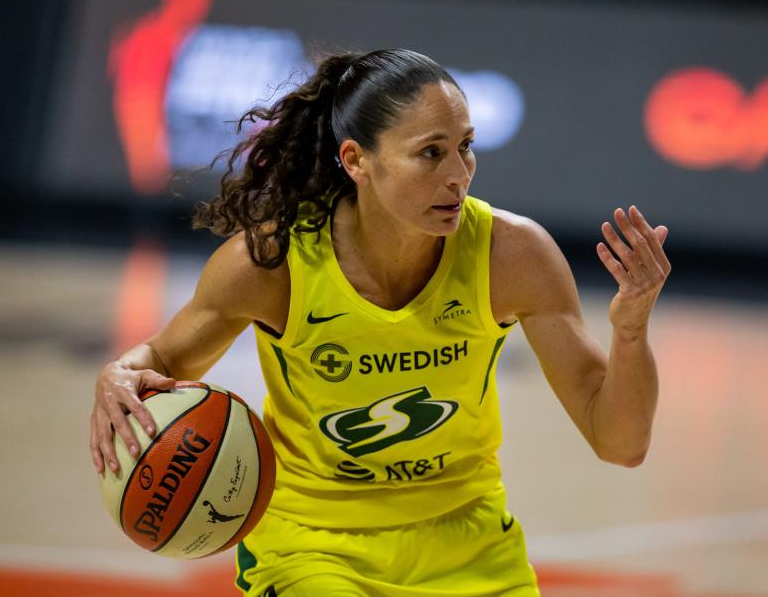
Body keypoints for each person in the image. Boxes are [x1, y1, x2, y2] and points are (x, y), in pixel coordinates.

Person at [90, 49, 671, 596]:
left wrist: (630, 331)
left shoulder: (512, 256)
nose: (458, 174)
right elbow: (159, 361)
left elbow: (620, 443)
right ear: (356, 161)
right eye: (430, 152)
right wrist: (117, 374)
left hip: (466, 541)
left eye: (465, 147)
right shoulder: (272, 264)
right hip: (312, 545)